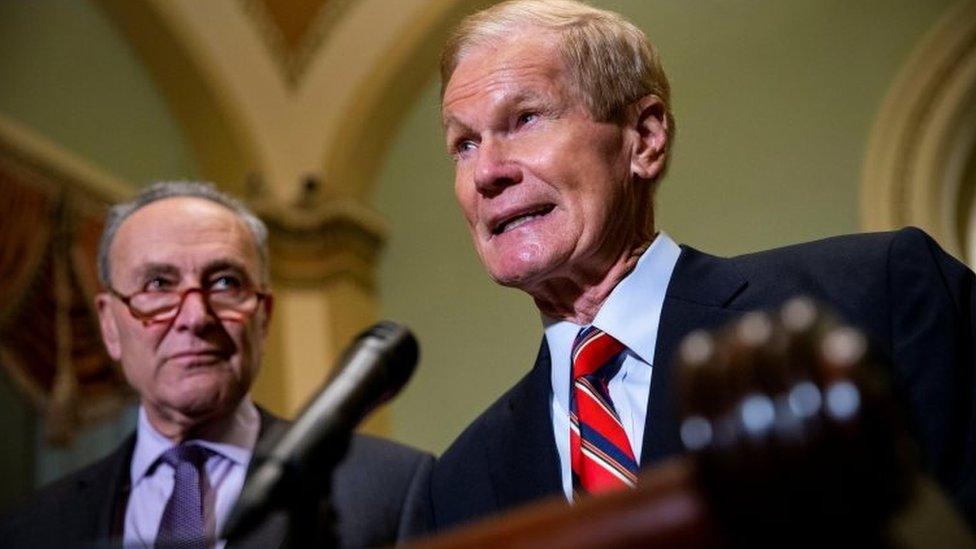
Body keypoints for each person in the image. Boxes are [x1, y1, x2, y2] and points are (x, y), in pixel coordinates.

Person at [429, 0, 975, 532]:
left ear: (644, 138)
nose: (487, 173)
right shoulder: (457, 486)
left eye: (525, 119)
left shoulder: (875, 296)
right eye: (465, 144)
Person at [0, 182, 433, 548]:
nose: (195, 317)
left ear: (263, 317)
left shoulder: (391, 487)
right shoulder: (32, 529)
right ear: (110, 326)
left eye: (225, 283)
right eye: (158, 285)